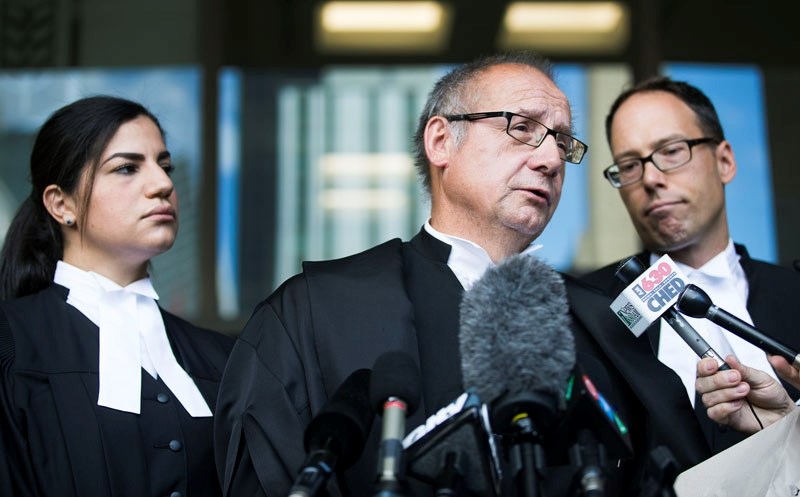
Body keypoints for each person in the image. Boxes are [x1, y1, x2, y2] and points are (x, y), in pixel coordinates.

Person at [214, 52, 707, 497]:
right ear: (441, 140)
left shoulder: (603, 323)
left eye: (561, 140)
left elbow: (678, 475)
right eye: (522, 126)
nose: (552, 158)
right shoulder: (314, 310)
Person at [0, 95, 234, 497]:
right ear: (61, 203)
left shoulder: (222, 359)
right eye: (127, 168)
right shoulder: (11, 343)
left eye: (165, 166)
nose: (163, 185)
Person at [581, 76, 800, 457]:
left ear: (725, 161)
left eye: (671, 150)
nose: (650, 178)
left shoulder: (794, 293)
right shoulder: (589, 311)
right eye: (629, 165)